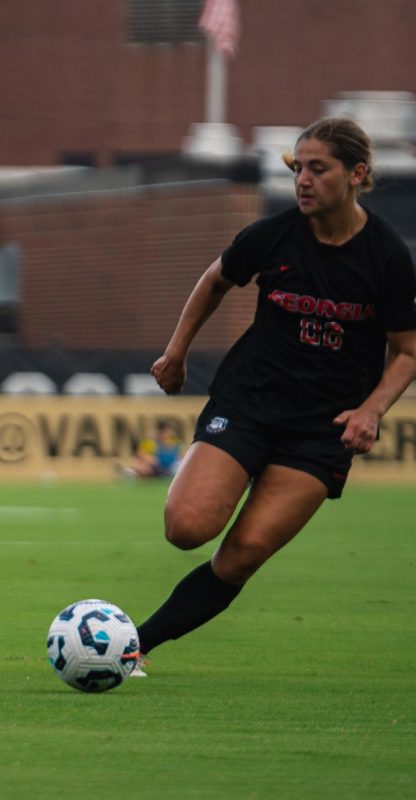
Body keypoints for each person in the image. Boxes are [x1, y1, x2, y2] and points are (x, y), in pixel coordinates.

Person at [134, 118, 416, 675]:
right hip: (249, 404)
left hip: (319, 431)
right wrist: (176, 352)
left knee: (241, 556)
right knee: (185, 528)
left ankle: (133, 646)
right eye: (297, 168)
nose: (303, 180)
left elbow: (407, 351)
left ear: (356, 174)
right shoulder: (274, 235)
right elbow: (215, 278)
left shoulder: (386, 255)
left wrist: (371, 410)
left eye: (318, 168)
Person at [118, 420, 183, 479]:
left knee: (178, 466)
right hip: (156, 467)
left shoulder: (175, 442)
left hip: (170, 467)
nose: (166, 434)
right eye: (163, 432)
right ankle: (129, 473)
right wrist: (150, 459)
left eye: (168, 432)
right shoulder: (151, 442)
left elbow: (181, 455)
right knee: (144, 466)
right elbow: (140, 454)